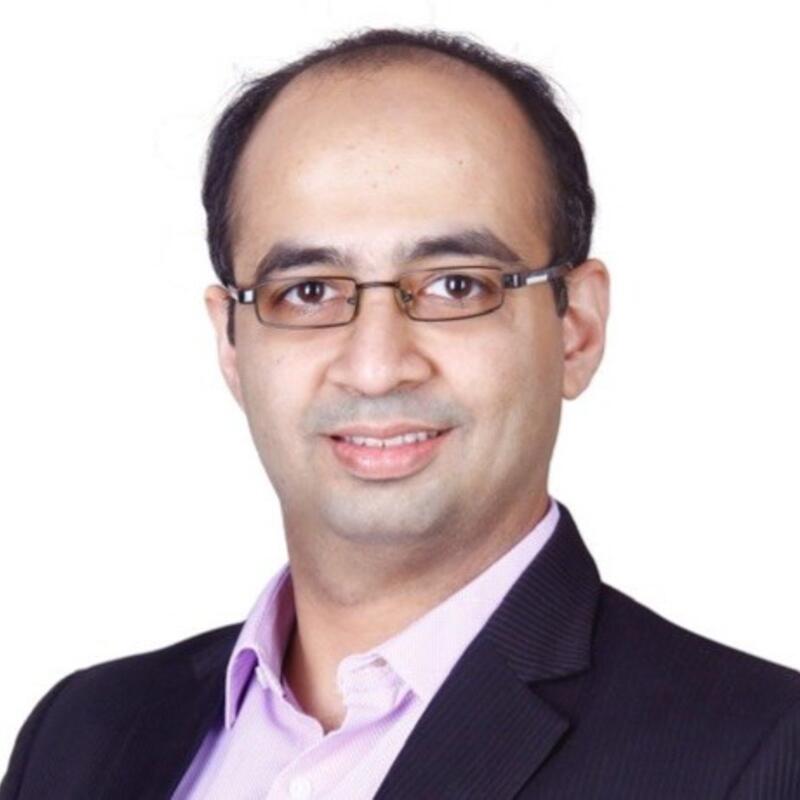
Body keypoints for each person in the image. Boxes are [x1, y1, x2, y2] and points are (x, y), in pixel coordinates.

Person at [2, 26, 799, 800]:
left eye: (457, 284)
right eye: (308, 291)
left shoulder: (763, 756)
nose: (377, 366)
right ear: (232, 344)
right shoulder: (81, 736)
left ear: (577, 329)